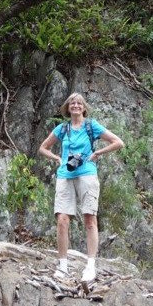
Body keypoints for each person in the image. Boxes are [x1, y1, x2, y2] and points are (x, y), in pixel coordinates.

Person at [38, 92, 124, 283]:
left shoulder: (91, 126)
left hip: (87, 174)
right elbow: (43, 147)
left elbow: (118, 142)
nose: (75, 106)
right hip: (65, 175)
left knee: (89, 219)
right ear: (68, 108)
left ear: (84, 107)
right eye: (72, 103)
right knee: (62, 219)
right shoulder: (63, 128)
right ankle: (62, 266)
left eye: (79, 103)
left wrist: (97, 153)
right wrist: (57, 158)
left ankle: (91, 265)